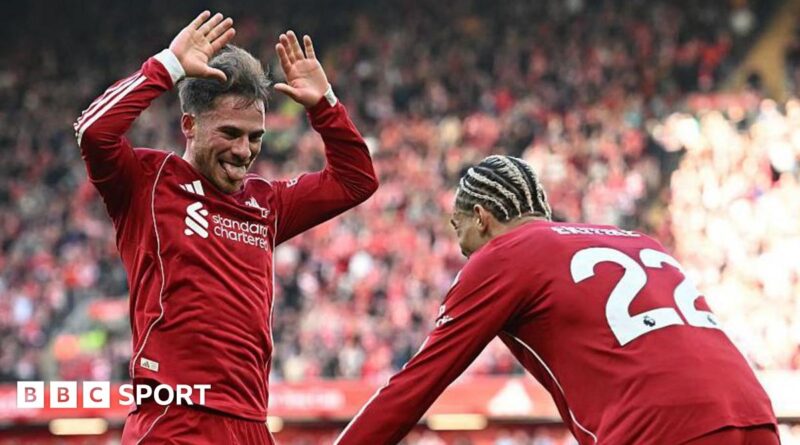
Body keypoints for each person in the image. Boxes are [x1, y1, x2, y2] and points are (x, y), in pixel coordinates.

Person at [74, 11, 378, 444]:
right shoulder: (146, 182)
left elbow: (357, 180)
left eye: (255, 137)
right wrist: (166, 66)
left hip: (252, 424)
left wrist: (325, 103)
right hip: (176, 420)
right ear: (190, 125)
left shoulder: (267, 203)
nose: (243, 150)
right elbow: (92, 131)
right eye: (230, 132)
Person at [335, 155, 778, 445]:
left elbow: (418, 383)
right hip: (754, 414)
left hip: (660, 428)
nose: (461, 247)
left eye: (458, 230)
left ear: (481, 219)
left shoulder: (506, 255)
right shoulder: (640, 240)